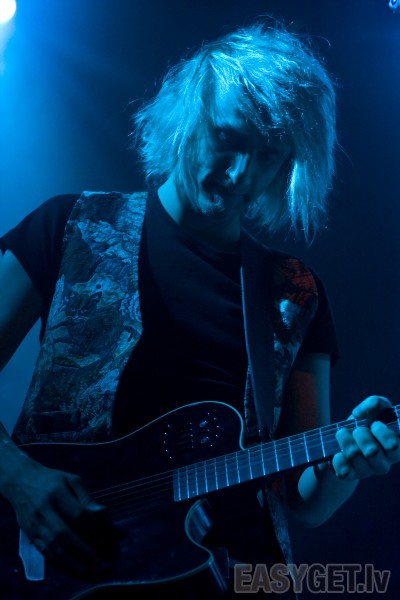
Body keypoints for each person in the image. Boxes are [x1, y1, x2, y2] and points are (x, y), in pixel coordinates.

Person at [0, 19, 399, 600]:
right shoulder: (71, 227)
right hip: (60, 570)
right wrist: (18, 477)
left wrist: (350, 466)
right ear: (187, 114)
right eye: (228, 139)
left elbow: (304, 502)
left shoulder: (295, 291)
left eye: (268, 156)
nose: (241, 174)